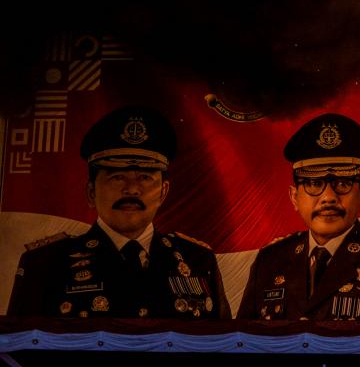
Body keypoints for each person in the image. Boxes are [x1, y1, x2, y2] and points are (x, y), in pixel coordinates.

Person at [7, 105, 231, 319]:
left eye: (145, 177)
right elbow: (18, 351)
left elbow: (225, 347)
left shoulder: (199, 261)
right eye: (117, 177)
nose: (132, 189)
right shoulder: (45, 264)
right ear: (91, 191)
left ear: (163, 192)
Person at [238, 112, 360, 321]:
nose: (328, 197)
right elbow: (239, 348)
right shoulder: (269, 262)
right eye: (314, 184)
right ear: (294, 197)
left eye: (342, 184)